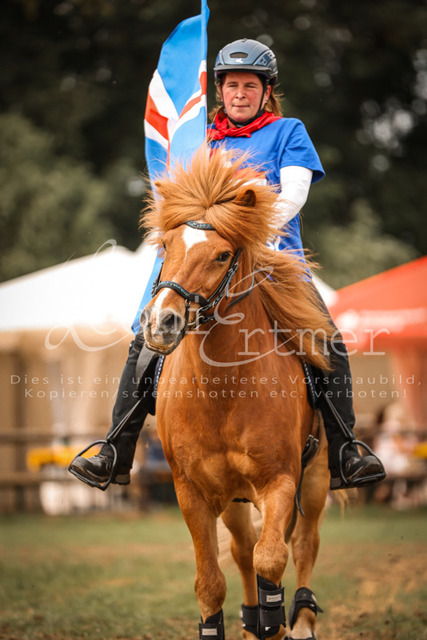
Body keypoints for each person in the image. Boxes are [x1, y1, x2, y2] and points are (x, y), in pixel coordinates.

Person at [69, 38, 385, 491]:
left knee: (328, 341)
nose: (240, 94)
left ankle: (346, 452)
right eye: (232, 85)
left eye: (250, 86)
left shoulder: (288, 131)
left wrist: (247, 231)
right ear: (219, 90)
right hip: (203, 265)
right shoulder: (197, 139)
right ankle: (115, 450)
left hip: (275, 264)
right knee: (146, 340)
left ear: (266, 91)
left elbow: (294, 192)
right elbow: (176, 199)